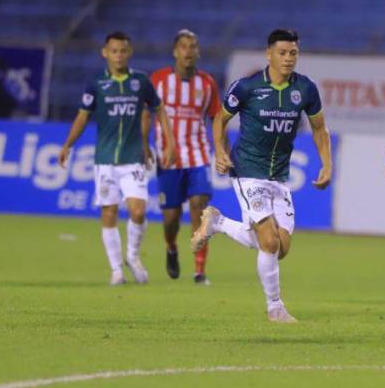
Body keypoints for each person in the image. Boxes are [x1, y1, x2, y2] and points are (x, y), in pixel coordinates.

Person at [191, 29, 332, 323]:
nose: (288, 58)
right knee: (268, 242)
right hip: (248, 171)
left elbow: (319, 128)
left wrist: (327, 164)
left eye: (293, 53)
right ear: (269, 54)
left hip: (279, 176)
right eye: (282, 53)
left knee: (280, 248)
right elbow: (220, 118)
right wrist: (219, 150)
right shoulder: (247, 87)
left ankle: (218, 222)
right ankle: (275, 307)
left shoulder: (305, 89)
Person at [59, 31, 177, 285]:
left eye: (123, 51)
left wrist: (168, 142)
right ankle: (116, 270)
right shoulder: (96, 84)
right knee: (109, 212)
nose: (119, 55)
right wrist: (68, 144)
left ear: (129, 52)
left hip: (133, 158)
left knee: (138, 211)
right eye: (114, 51)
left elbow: (159, 111)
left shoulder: (141, 81)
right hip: (105, 160)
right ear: (105, 53)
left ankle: (132, 255)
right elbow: (82, 117)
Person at [150, 29, 221, 284]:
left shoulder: (207, 83)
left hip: (198, 156)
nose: (188, 51)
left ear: (198, 51)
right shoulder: (158, 80)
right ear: (174, 51)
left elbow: (216, 119)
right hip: (168, 159)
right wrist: (144, 146)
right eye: (183, 46)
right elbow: (147, 113)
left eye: (193, 46)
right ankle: (171, 247)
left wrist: (222, 150)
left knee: (200, 208)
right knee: (170, 219)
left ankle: (200, 271)